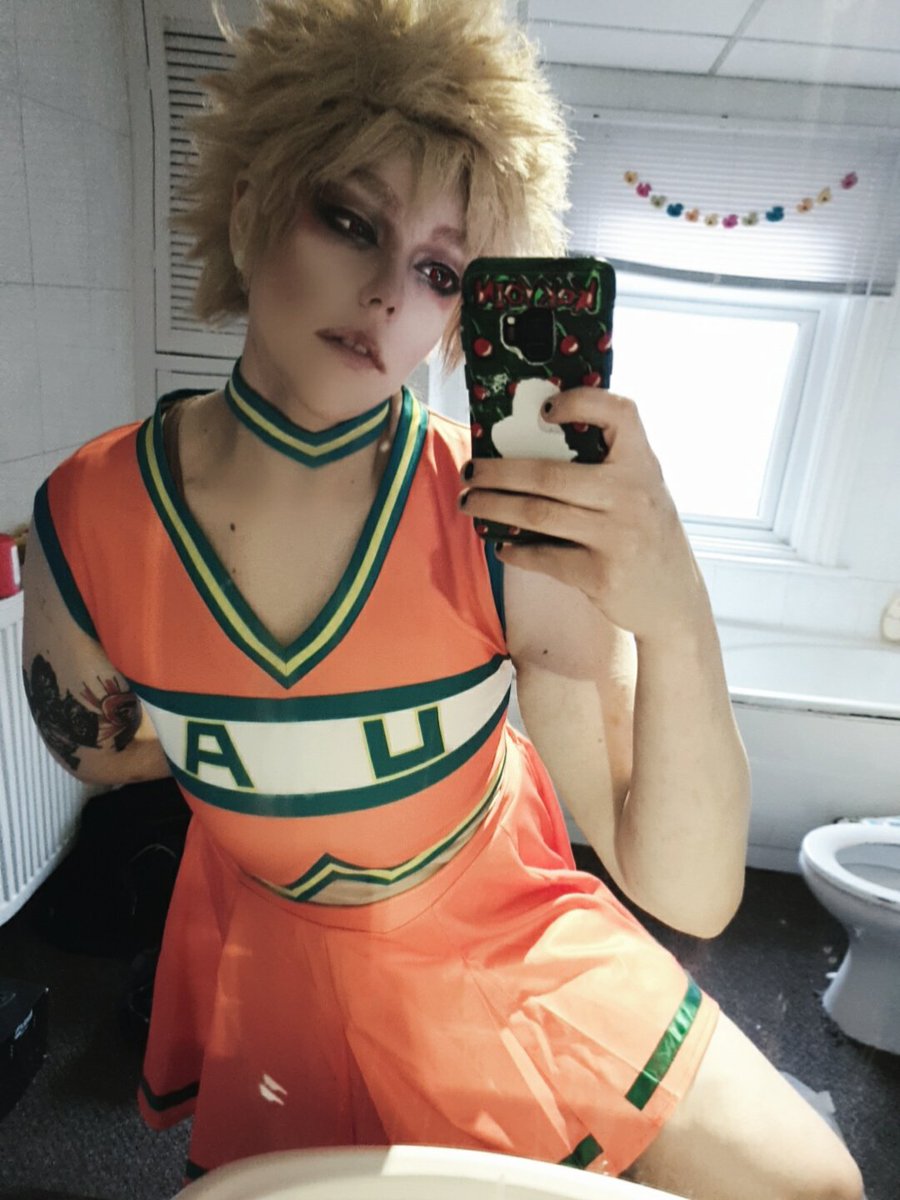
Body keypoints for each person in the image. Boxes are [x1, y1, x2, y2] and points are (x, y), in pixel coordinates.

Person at [21, 2, 862, 1196]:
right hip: (275, 943)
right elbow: (100, 754)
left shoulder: (499, 522)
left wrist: (674, 607)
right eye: (348, 219)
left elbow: (688, 891)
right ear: (254, 202)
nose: (385, 295)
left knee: (815, 1186)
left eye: (438, 271)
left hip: (493, 929)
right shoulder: (87, 514)